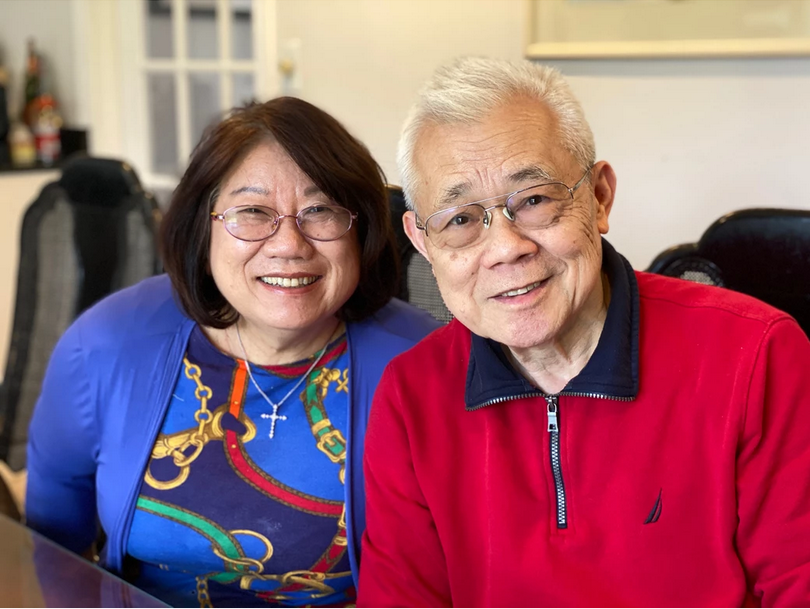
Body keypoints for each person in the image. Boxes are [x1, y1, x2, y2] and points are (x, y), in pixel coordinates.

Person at [358, 57, 810, 607]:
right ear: (423, 242)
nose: (505, 248)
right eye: (460, 220)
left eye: (534, 200)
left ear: (598, 198)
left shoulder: (756, 355)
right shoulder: (412, 394)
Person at [25, 97, 440, 607]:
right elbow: (52, 556)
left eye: (321, 211)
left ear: (361, 231)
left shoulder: (425, 367)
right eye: (252, 212)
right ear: (204, 228)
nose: (289, 243)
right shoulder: (105, 344)